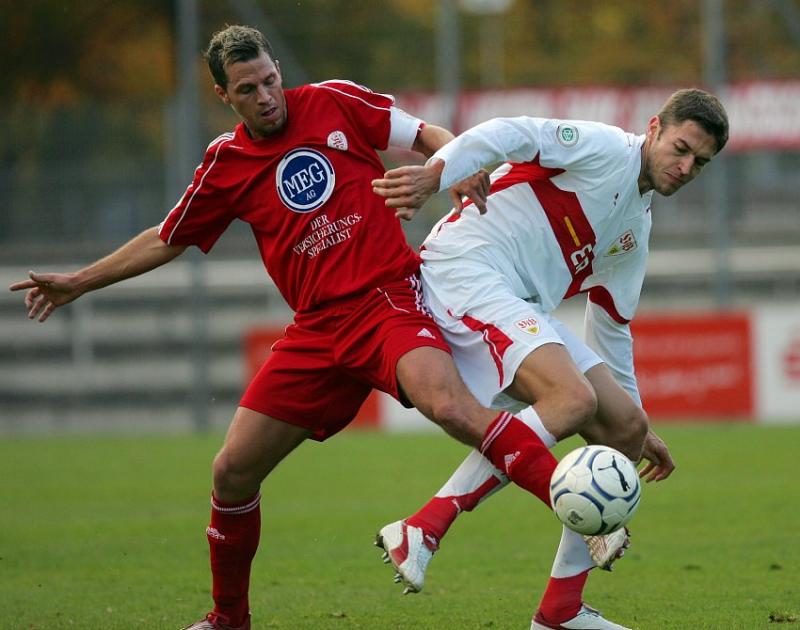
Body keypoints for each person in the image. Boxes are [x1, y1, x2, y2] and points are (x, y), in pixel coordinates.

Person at [8, 24, 624, 630]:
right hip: (317, 330)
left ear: (279, 71)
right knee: (231, 472)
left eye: (269, 80)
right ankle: (228, 618)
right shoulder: (226, 162)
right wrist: (80, 281)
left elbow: (425, 134)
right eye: (247, 90)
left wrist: (454, 162)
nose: (265, 97)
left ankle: (583, 512)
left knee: (449, 405)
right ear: (223, 95)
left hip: (387, 300)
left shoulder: (333, 101)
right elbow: (168, 237)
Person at [372, 88, 729, 629]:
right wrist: (436, 174)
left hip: (514, 301)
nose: (685, 168)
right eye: (681, 149)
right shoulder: (604, 148)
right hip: (466, 268)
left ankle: (560, 610)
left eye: (699, 163)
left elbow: (611, 328)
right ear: (655, 127)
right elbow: (509, 133)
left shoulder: (636, 229)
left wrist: (637, 421)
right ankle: (425, 526)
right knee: (572, 397)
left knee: (624, 428)